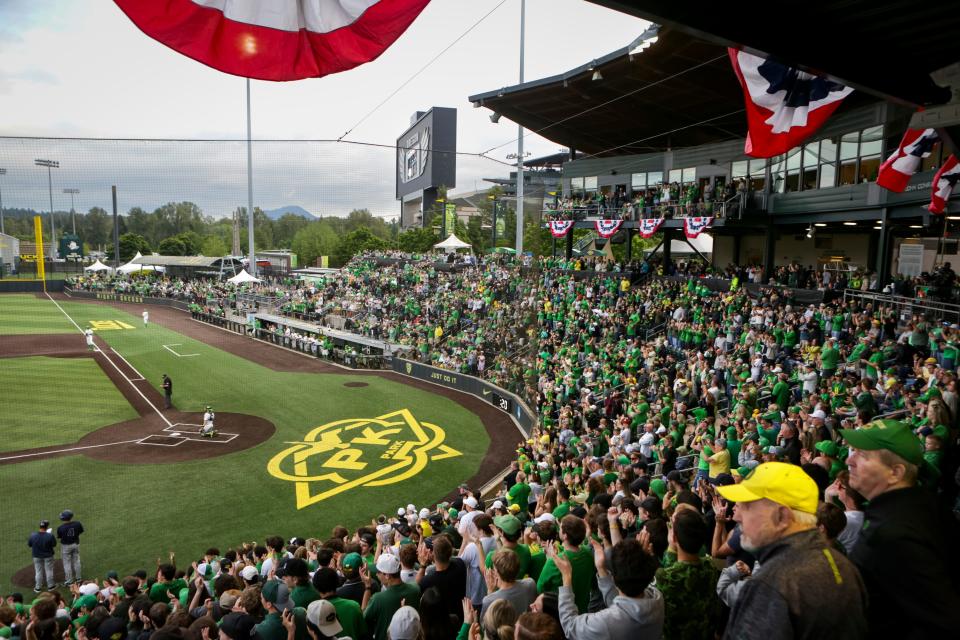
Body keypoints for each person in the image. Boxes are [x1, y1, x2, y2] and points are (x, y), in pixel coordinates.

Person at [717, 462, 868, 639]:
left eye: (747, 506)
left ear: (782, 516)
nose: (737, 515)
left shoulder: (771, 585)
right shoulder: (843, 564)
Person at [841, 419, 960, 635]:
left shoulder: (894, 533)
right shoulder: (921, 505)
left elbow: (940, 623)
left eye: (863, 455)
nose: (849, 460)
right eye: (854, 452)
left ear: (895, 472)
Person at [550, 538, 662, 640]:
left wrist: (566, 576)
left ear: (614, 579)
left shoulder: (605, 623)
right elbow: (623, 606)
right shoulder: (657, 598)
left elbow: (570, 627)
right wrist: (601, 569)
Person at [362, 553, 420, 640]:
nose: (377, 575)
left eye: (378, 572)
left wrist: (367, 587)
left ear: (387, 575)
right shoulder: (416, 589)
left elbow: (363, 618)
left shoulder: (378, 599)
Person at [56, 509, 84, 585]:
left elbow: (59, 537)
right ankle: (79, 578)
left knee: (67, 563)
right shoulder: (78, 524)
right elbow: (81, 531)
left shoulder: (60, 528)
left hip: (66, 547)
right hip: (76, 544)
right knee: (76, 561)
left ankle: (69, 581)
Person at [27, 519, 56, 592]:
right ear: (47, 527)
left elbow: (29, 545)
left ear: (40, 526)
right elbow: (54, 544)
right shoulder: (50, 535)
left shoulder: (33, 535)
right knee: (49, 570)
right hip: (48, 556)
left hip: (36, 556)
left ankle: (38, 588)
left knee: (38, 571)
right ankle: (51, 586)